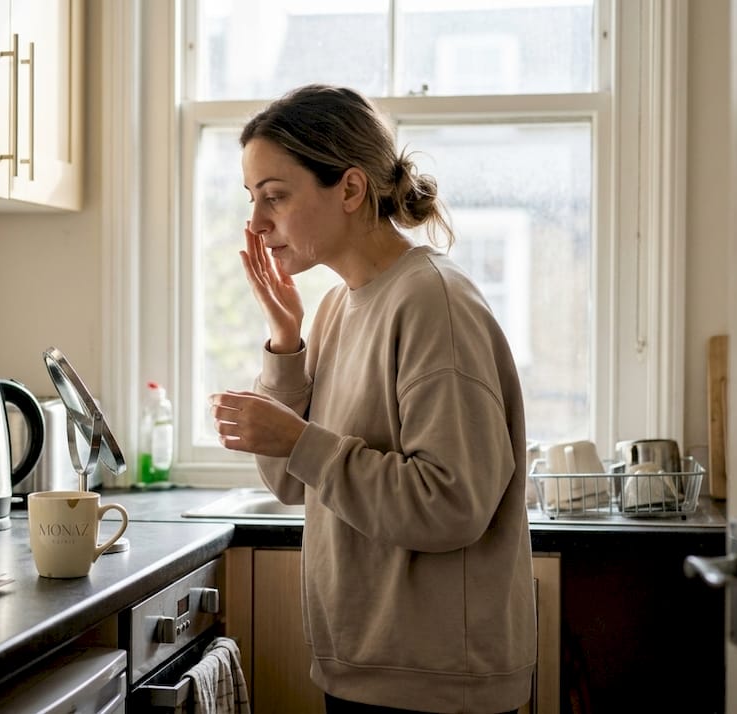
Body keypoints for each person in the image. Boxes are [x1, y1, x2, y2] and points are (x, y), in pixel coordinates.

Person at [209, 84, 535, 714]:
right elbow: (290, 482)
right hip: (366, 668)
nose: (255, 224)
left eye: (275, 196)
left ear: (351, 190)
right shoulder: (336, 307)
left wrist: (301, 440)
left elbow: (451, 503)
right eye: (252, 200)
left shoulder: (432, 302)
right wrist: (285, 345)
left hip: (435, 683)